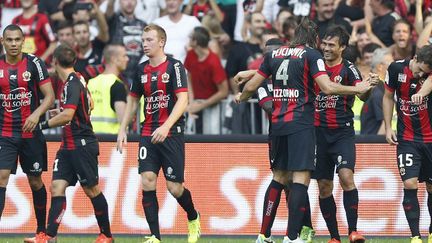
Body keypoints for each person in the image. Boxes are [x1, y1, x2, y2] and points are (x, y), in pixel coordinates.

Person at [235, 18, 372, 243]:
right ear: (315, 40)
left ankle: (263, 235)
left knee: (278, 177)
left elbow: (252, 86)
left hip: (278, 125)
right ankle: (292, 237)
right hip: (302, 125)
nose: (324, 48)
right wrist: (358, 89)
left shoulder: (274, 54)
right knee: (301, 179)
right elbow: (327, 87)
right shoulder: (311, 55)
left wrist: (243, 95)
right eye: (323, 43)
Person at [116, 24, 200, 243]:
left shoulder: (175, 67)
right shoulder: (140, 69)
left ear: (161, 41)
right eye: (143, 40)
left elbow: (183, 100)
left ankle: (193, 216)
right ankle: (155, 236)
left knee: (174, 188)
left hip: (171, 134)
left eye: (149, 40)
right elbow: (133, 100)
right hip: (147, 132)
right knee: (148, 179)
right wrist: (123, 128)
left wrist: (166, 126)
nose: (145, 44)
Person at [234, 38, 316, 243]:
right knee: (292, 179)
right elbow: (269, 107)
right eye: (267, 54)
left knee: (295, 180)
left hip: (286, 130)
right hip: (284, 131)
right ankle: (270, 233)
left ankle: (303, 228)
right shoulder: (265, 84)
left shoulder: (277, 77)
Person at [36, 44, 113, 243]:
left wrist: (41, 124)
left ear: (54, 62)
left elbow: (68, 114)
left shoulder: (71, 83)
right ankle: (49, 236)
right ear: (74, 61)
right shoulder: (78, 78)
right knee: (56, 187)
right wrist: (54, 114)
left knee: (92, 190)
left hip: (81, 144)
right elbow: (89, 105)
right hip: (68, 145)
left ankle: (106, 235)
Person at [313, 26, 377, 243]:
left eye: (332, 45)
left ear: (342, 47)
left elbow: (363, 96)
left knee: (346, 177)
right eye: (325, 44)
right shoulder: (315, 66)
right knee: (323, 186)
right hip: (317, 134)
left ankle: (353, 231)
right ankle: (334, 237)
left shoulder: (349, 69)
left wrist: (368, 86)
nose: (326, 48)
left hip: (342, 132)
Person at [0, 24, 55, 243]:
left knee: (35, 181)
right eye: (9, 40)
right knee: (1, 178)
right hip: (5, 133)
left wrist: (36, 114)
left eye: (17, 40)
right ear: (3, 41)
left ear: (23, 41)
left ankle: (41, 232)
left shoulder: (34, 63)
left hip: (30, 134)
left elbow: (49, 96)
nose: (13, 44)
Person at [383, 44, 432, 243]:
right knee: (410, 183)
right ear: (415, 57)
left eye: (425, 72)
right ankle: (415, 236)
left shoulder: (428, 75)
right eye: (420, 69)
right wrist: (388, 127)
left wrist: (422, 93)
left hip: (430, 139)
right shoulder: (395, 69)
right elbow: (387, 97)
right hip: (407, 139)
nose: (420, 74)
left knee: (431, 187)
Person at [184, 27, 228, 134]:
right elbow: (188, 78)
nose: (188, 39)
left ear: (195, 41)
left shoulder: (213, 62)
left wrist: (201, 105)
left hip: (212, 105)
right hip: (195, 103)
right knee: (191, 136)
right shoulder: (191, 55)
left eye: (190, 37)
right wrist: (192, 101)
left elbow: (224, 91)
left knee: (211, 137)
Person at [88, 45, 128, 134]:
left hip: (90, 139)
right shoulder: (117, 85)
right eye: (124, 56)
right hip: (110, 140)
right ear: (114, 59)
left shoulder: (90, 83)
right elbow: (123, 120)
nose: (127, 59)